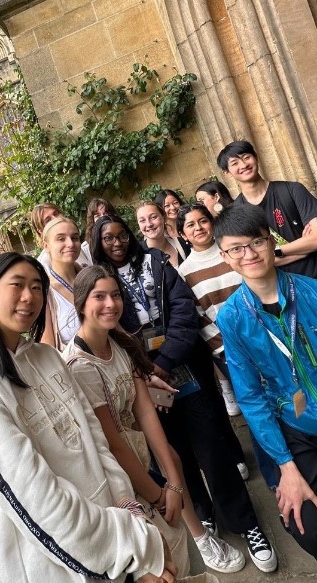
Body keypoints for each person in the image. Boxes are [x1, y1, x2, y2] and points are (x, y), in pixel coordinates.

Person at [0, 252, 177, 583]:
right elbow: (33, 498)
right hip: (55, 565)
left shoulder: (48, 359)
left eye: (38, 287)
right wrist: (127, 548)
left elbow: (97, 444)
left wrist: (130, 515)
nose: (29, 297)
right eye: (17, 285)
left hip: (113, 538)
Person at [90, 215, 278, 573]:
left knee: (211, 447)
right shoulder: (103, 281)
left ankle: (246, 522)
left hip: (183, 367)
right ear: (98, 244)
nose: (117, 243)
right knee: (176, 456)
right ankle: (206, 516)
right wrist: (146, 369)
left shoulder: (156, 262)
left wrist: (165, 361)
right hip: (144, 382)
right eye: (107, 239)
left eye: (121, 236)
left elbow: (182, 311)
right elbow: (111, 329)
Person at [63, 266, 244, 574]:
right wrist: (159, 493)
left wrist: (173, 483)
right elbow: (115, 445)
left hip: (135, 442)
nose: (111, 304)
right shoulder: (81, 365)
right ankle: (191, 542)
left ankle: (199, 537)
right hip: (115, 470)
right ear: (81, 304)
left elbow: (145, 411)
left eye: (116, 295)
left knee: (173, 459)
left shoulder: (116, 341)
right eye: (99, 297)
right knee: (158, 549)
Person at [215, 203, 317, 559]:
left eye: (256, 242)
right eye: (237, 248)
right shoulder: (231, 317)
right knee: (306, 526)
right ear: (225, 256)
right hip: (295, 427)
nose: (249, 254)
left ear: (270, 242)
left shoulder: (311, 291)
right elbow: (251, 396)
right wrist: (285, 466)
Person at [176, 203, 278, 490]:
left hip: (268, 337)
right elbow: (199, 318)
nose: (198, 228)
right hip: (229, 351)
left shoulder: (235, 249)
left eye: (202, 221)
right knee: (256, 411)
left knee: (282, 400)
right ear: (182, 233)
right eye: (190, 225)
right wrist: (224, 349)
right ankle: (273, 478)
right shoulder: (184, 272)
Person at [217, 140, 317, 277]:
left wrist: (276, 251)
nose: (244, 165)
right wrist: (305, 249)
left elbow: (316, 239)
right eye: (235, 163)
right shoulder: (236, 212)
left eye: (247, 157)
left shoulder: (292, 190)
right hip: (281, 288)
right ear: (227, 172)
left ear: (256, 157)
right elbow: (253, 260)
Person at [40, 217, 82, 350]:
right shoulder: (44, 292)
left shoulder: (92, 278)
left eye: (75, 238)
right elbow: (48, 348)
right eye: (61, 239)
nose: (70, 244)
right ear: (46, 246)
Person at [30, 203, 91, 269]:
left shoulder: (75, 246)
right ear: (41, 231)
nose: (55, 219)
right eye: (48, 220)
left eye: (56, 213)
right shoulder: (44, 264)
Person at [137, 201, 189, 268]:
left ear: (164, 218)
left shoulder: (182, 243)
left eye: (153, 217)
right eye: (142, 220)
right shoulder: (138, 255)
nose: (149, 224)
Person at [82, 198, 117, 266]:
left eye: (106, 213)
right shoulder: (86, 248)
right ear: (92, 220)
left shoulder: (123, 237)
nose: (103, 218)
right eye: (97, 216)